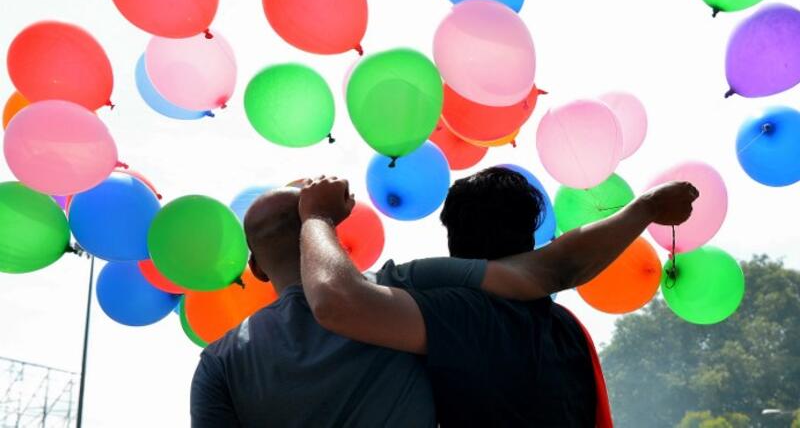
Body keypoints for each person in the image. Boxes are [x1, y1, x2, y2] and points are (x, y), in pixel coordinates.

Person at [298, 169, 699, 427]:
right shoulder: (567, 329)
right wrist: (646, 208)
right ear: (531, 236)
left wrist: (317, 217)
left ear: (453, 240)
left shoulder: (460, 315)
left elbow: (337, 302)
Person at [191, 186, 505, 427]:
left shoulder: (219, 363)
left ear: (257, 269)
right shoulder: (405, 287)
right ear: (329, 240)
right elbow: (519, 278)